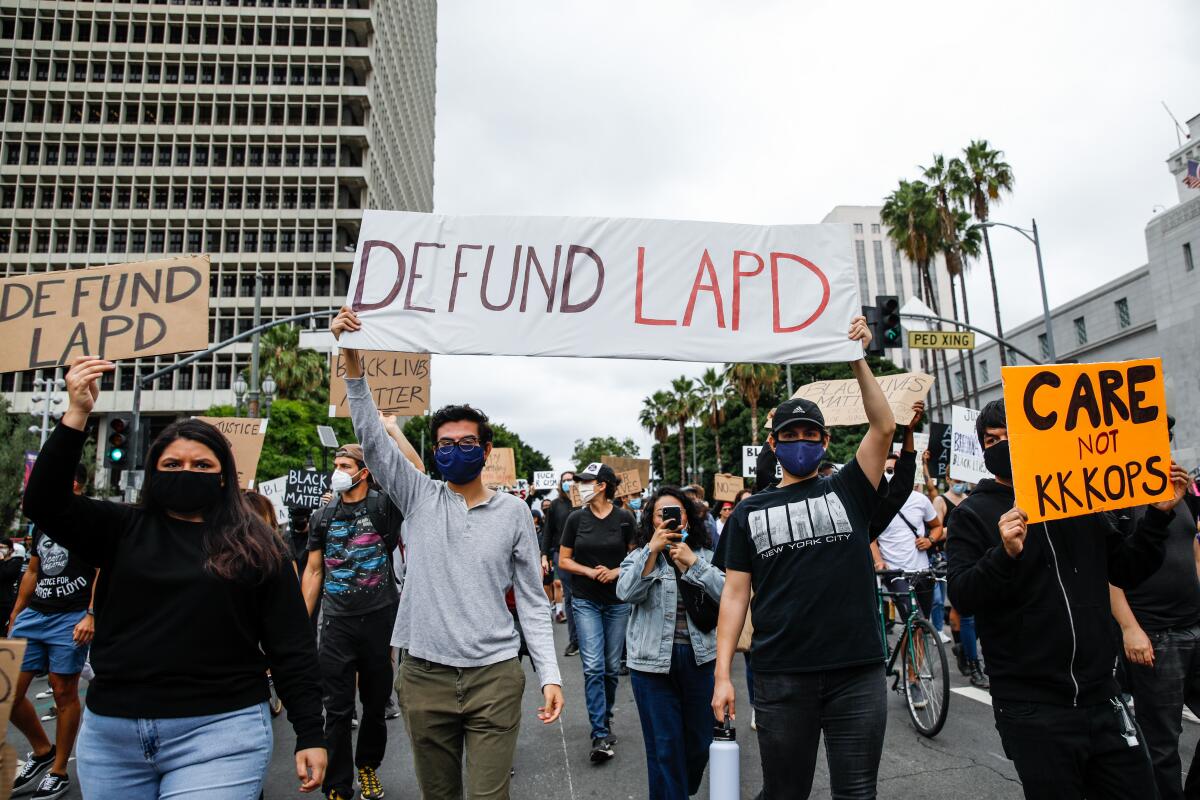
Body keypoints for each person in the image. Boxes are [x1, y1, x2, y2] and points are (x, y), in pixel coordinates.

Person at [22, 356, 326, 799]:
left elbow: (291, 647)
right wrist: (77, 412)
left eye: (202, 466)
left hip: (221, 731)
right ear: (153, 471)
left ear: (224, 477)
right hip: (112, 737)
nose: (187, 472)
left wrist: (310, 732)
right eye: (173, 464)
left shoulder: (258, 545)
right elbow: (43, 502)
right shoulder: (118, 527)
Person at [332, 307, 563, 800]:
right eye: (444, 444)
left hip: (495, 678)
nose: (454, 450)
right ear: (433, 452)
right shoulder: (418, 496)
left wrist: (549, 673)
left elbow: (532, 600)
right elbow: (372, 438)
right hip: (423, 677)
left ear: (485, 449)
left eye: (465, 442)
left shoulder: (515, 513)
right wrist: (351, 359)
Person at [946, 398, 1191, 800]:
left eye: (1011, 436)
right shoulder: (972, 514)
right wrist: (1003, 556)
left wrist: (1159, 517)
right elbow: (963, 594)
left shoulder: (1075, 500)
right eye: (991, 440)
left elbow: (1126, 569)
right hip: (1032, 707)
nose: (1001, 446)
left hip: (1102, 695)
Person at [712, 315, 894, 799]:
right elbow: (734, 596)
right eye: (789, 436)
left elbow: (884, 424)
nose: (800, 443)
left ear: (825, 441)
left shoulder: (851, 488)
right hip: (781, 677)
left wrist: (857, 356)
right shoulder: (748, 512)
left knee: (857, 793)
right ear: (773, 444)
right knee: (785, 792)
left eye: (810, 435)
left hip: (857, 674)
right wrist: (722, 675)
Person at [300, 442, 405, 800]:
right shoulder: (323, 516)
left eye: (345, 465)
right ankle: (338, 784)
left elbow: (415, 472)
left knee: (375, 705)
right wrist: (301, 623)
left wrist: (390, 432)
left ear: (364, 472)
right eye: (336, 464)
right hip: (336, 624)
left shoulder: (384, 506)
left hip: (379, 621)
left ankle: (368, 768)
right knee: (338, 709)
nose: (338, 471)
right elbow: (314, 571)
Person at [1108, 419, 1200, 800]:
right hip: (1155, 636)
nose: (1162, 443)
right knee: (1163, 743)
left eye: (1166, 436)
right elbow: (1108, 572)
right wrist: (1131, 629)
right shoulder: (1116, 495)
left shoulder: (1181, 489)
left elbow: (1193, 548)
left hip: (1194, 625)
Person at [618, 487, 724, 799]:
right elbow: (625, 592)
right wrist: (651, 552)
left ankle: (678, 787)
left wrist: (693, 563)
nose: (670, 520)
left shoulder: (703, 555)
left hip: (700, 660)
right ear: (651, 522)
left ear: (688, 519)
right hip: (651, 665)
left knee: (701, 742)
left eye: (676, 513)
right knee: (664, 747)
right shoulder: (639, 557)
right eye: (662, 515)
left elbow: (728, 594)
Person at [9, 463, 98, 800]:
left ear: (73, 484)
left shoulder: (90, 518)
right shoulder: (42, 521)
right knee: (9, 695)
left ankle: (59, 770)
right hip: (35, 615)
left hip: (70, 616)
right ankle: (42, 750)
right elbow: (33, 570)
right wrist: (17, 612)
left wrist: (90, 614)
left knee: (63, 692)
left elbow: (103, 568)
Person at [558, 462, 637, 762]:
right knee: (592, 666)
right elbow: (564, 560)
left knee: (609, 667)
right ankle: (599, 733)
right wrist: (589, 572)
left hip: (617, 602)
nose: (579, 485)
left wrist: (616, 571)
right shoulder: (575, 519)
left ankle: (606, 714)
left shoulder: (625, 518)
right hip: (585, 599)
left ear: (602, 485)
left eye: (586, 481)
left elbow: (637, 556)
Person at [925, 462, 986, 688]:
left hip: (977, 557)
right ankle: (974, 665)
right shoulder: (941, 501)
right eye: (957, 479)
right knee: (965, 614)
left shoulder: (973, 499)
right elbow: (937, 530)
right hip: (952, 560)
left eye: (963, 480)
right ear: (949, 479)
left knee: (979, 614)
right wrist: (961, 526)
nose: (960, 484)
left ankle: (964, 647)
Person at [542, 471, 581, 655]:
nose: (568, 483)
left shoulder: (585, 502)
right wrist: (545, 555)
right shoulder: (556, 505)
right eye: (564, 480)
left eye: (571, 479)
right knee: (571, 596)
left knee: (585, 597)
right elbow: (548, 532)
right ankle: (575, 640)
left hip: (584, 554)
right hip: (561, 555)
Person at [0, 537, 24, 638]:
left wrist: (1, 560)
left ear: (10, 549)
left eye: (2, 547)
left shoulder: (16, 563)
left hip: (5, 603)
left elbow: (4, 575)